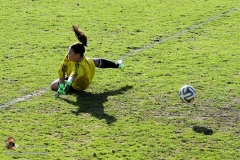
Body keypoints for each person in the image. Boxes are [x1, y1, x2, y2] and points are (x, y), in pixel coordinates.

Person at [50, 25, 124, 97]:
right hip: (85, 66)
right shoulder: (70, 57)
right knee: (94, 61)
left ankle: (118, 65)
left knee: (53, 86)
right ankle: (118, 65)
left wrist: (68, 83)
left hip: (80, 84)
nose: (67, 54)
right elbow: (62, 69)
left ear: (77, 55)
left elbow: (73, 74)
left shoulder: (79, 67)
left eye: (70, 53)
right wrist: (62, 85)